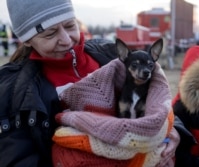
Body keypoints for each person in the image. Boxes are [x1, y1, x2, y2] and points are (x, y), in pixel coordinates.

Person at [0, 0, 182, 166]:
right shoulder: (16, 91)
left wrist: (174, 131)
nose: (66, 39)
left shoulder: (111, 55)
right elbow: (17, 158)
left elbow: (161, 103)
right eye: (50, 34)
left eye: (70, 26)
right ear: (27, 40)